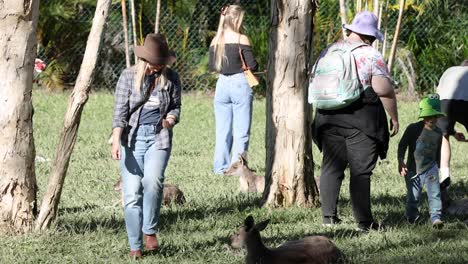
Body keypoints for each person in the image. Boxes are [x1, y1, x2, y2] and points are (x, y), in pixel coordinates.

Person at [311, 11, 399, 231]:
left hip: (327, 115)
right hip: (361, 119)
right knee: (360, 170)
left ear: (352, 30)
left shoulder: (330, 50)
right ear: (370, 35)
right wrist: (394, 118)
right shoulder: (371, 55)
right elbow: (383, 89)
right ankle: (364, 222)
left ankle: (328, 218)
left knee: (331, 167)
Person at [111, 33, 181, 258]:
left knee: (153, 182)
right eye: (153, 65)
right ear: (144, 61)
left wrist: (170, 120)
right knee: (131, 193)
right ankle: (135, 246)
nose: (156, 69)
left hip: (158, 137)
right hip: (131, 138)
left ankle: (149, 230)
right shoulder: (127, 76)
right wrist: (116, 139)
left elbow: (176, 107)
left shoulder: (172, 78)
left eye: (160, 65)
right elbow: (120, 111)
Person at [209, 4, 258, 174]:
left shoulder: (216, 40)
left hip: (222, 85)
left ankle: (220, 167)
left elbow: (212, 66)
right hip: (240, 84)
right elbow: (252, 65)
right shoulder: (241, 39)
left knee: (222, 131)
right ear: (237, 20)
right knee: (241, 131)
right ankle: (237, 168)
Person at [398, 94, 445, 228]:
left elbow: (438, 150)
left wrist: (439, 166)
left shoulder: (438, 132)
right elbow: (402, 145)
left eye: (435, 116)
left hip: (431, 168)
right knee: (413, 196)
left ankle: (436, 218)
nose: (432, 119)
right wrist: (401, 161)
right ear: (423, 116)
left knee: (435, 193)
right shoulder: (413, 129)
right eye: (429, 116)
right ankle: (411, 217)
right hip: (413, 169)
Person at [436, 60, 468, 201]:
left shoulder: (450, 70)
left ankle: (445, 176)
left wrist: (452, 132)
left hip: (444, 100)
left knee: (444, 135)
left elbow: (441, 96)